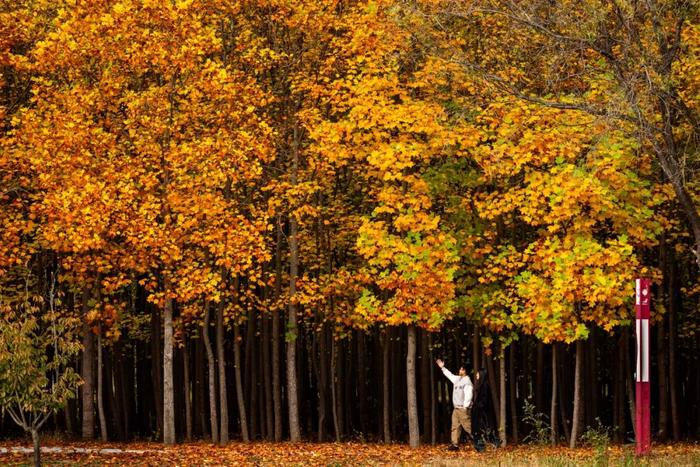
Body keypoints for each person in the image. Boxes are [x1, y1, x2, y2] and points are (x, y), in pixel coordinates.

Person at [436, 359, 473, 451]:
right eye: (460, 369)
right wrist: (442, 368)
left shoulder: (467, 382)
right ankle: (455, 445)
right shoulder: (457, 379)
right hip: (456, 409)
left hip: (462, 409)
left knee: (468, 427)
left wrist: (465, 407)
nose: (460, 370)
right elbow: (449, 375)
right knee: (455, 426)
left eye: (461, 369)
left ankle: (480, 442)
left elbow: (469, 395)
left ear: (465, 371)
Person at [471, 368, 500, 452]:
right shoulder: (482, 385)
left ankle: (484, 446)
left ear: (481, 374)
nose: (476, 375)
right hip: (481, 412)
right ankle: (483, 446)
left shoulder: (485, 385)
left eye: (477, 373)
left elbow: (485, 400)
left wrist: (478, 406)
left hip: (483, 413)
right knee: (481, 430)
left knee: (482, 429)